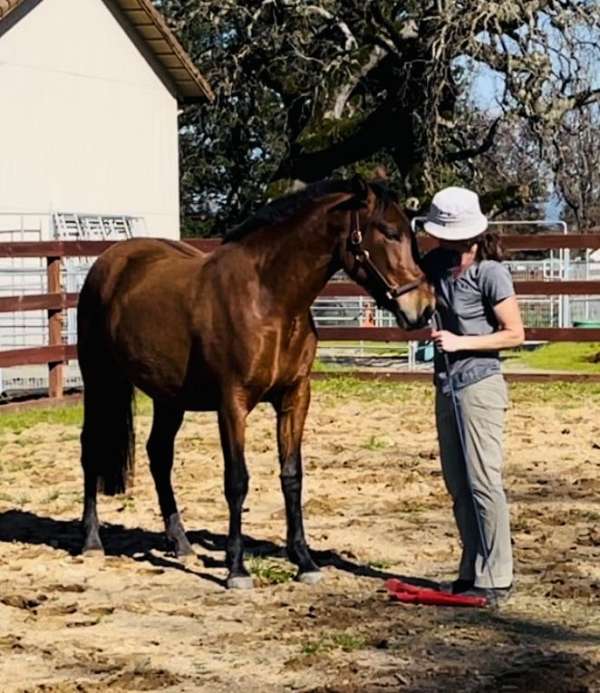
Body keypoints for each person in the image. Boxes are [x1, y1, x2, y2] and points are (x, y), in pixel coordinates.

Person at [421, 187, 525, 603]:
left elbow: (515, 334)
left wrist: (460, 343)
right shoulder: (437, 266)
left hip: (480, 384)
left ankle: (498, 575)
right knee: (457, 483)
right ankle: (471, 568)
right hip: (446, 385)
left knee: (484, 482)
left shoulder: (490, 273)